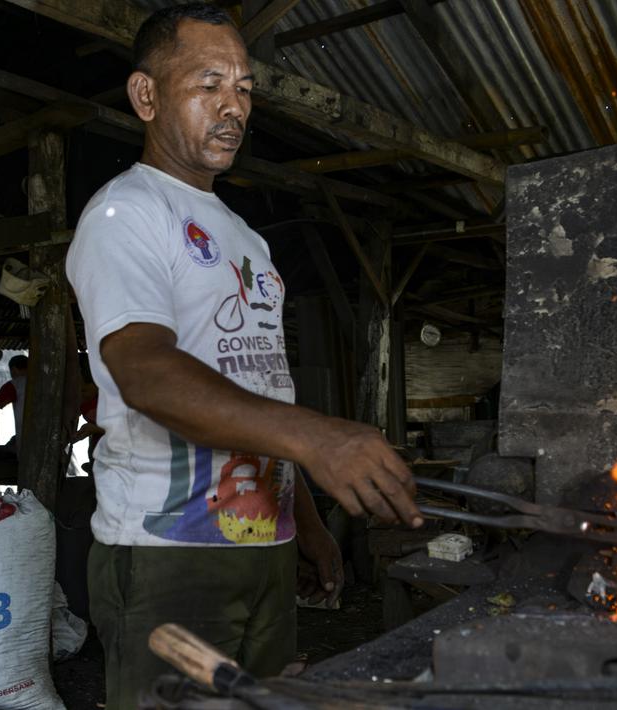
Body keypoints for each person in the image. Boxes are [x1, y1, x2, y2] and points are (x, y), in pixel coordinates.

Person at [65, 5, 421, 707]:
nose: (233, 106)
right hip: (169, 554)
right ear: (146, 96)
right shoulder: (124, 213)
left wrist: (305, 522)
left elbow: (259, 382)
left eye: (244, 88)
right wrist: (319, 437)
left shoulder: (245, 237)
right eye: (208, 85)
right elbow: (144, 373)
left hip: (260, 541)